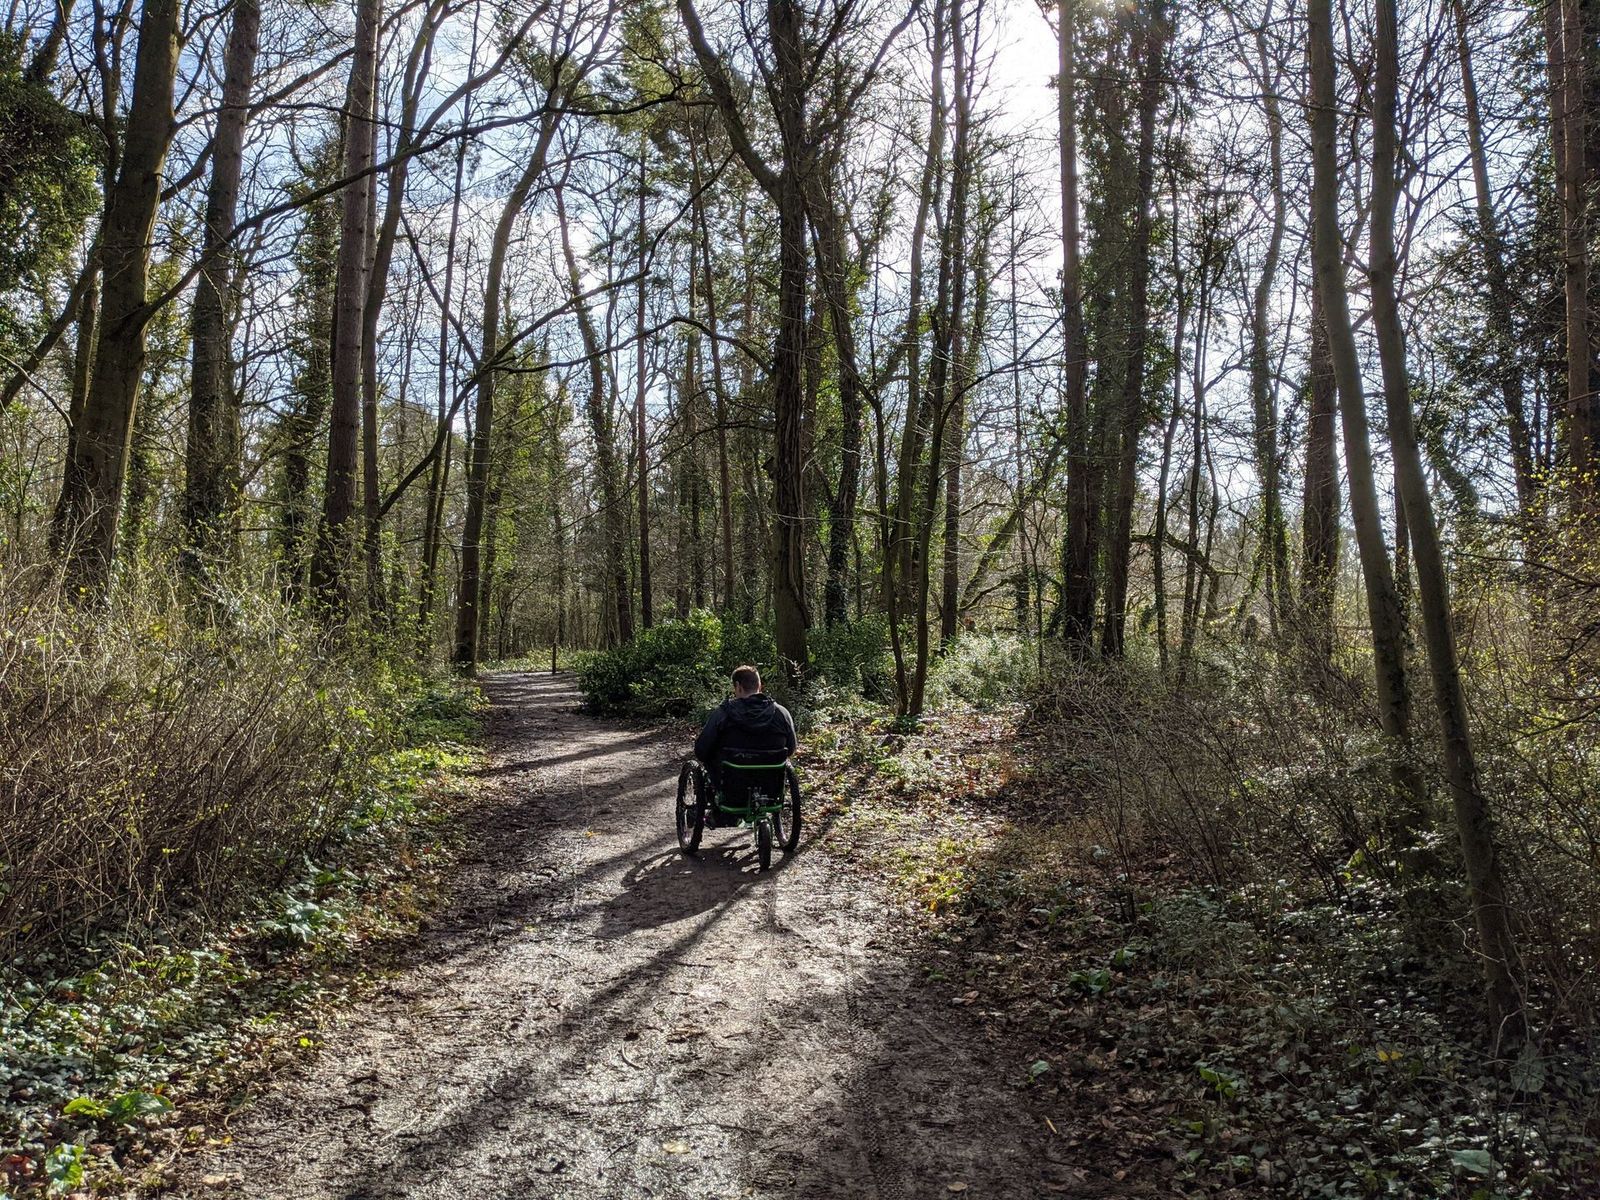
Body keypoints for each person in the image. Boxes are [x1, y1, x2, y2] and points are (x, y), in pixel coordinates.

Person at [694, 664, 797, 789]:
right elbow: (791, 749)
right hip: (770, 784)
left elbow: (701, 751)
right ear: (759, 685)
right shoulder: (781, 713)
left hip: (730, 785)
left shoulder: (722, 713)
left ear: (738, 686)